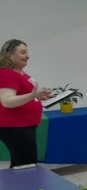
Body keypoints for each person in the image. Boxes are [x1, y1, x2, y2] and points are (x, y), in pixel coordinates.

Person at [0, 39, 51, 167]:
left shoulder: (20, 73)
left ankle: (20, 186)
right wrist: (33, 95)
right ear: (10, 55)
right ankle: (22, 187)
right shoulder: (7, 73)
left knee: (23, 163)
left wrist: (39, 97)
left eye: (27, 52)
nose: (27, 56)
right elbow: (6, 101)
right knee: (25, 165)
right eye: (23, 52)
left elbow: (24, 96)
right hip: (15, 127)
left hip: (23, 126)